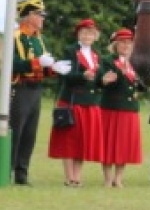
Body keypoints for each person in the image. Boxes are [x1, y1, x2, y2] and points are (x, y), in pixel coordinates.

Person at [8, 0, 69, 186]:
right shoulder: (15, 37)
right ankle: (6, 171)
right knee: (16, 132)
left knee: (29, 134)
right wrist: (36, 63)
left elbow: (43, 65)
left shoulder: (38, 39)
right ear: (28, 16)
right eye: (39, 15)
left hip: (35, 90)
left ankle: (22, 174)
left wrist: (53, 68)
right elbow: (13, 64)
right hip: (20, 89)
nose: (42, 18)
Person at [47, 18, 110, 187]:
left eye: (91, 33)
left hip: (90, 103)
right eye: (84, 33)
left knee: (83, 141)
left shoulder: (97, 54)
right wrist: (82, 76)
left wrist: (103, 80)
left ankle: (77, 176)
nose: (87, 36)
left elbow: (97, 80)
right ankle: (69, 177)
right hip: (72, 102)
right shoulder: (70, 51)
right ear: (78, 34)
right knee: (69, 141)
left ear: (95, 36)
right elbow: (65, 76)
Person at [98, 28, 148, 187]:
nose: (126, 46)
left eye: (129, 43)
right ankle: (107, 178)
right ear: (115, 45)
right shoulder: (108, 60)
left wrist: (137, 78)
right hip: (111, 107)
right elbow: (102, 79)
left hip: (130, 108)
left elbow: (142, 86)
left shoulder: (135, 61)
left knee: (124, 145)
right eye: (122, 43)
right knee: (108, 144)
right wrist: (119, 73)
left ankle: (118, 178)